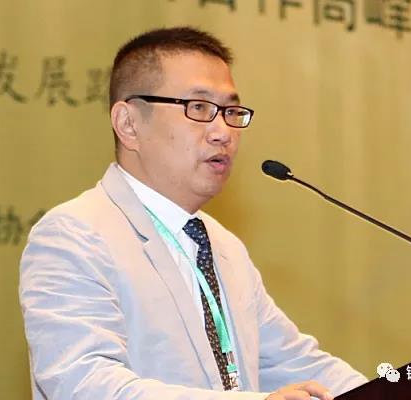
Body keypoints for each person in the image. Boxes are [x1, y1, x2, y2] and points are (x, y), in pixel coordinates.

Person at [19, 26, 367, 400]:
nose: (223, 132)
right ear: (129, 124)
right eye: (199, 108)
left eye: (230, 111)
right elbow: (83, 384)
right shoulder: (74, 234)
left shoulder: (224, 247)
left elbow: (298, 364)